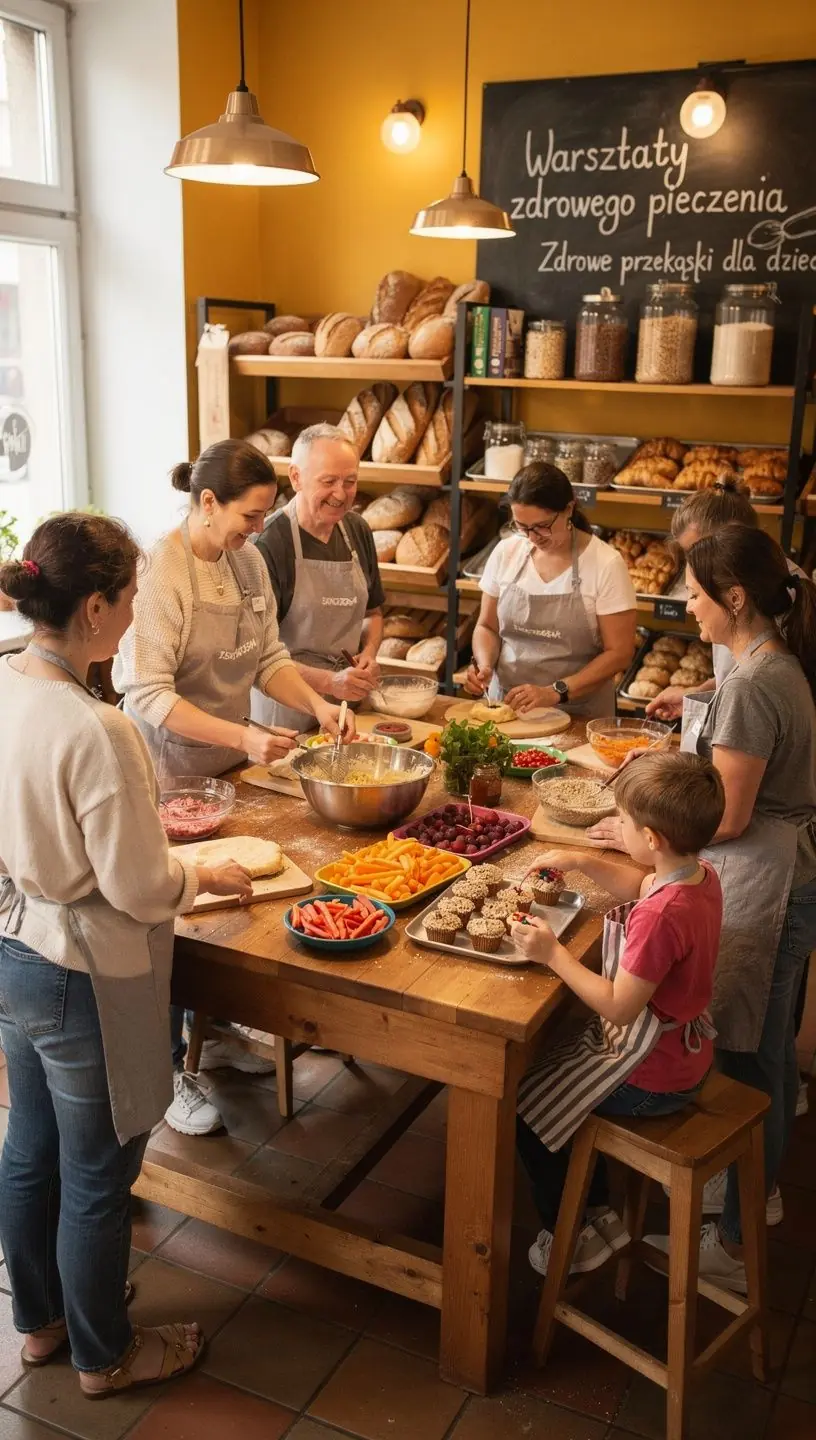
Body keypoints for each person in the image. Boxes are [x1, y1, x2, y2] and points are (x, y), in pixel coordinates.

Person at [0, 514, 254, 1397]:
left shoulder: (3, 685)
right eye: (133, 596)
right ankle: (105, 1355)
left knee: (29, 1151)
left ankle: (43, 1324)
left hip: (15, 948)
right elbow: (140, 887)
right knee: (100, 1172)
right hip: (85, 971)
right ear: (98, 606)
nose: (138, 609)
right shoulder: (97, 727)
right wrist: (203, 876)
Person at [114, 439, 350, 1137]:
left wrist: (318, 706)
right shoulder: (163, 573)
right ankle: (167, 1074)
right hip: (163, 770)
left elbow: (269, 658)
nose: (257, 528)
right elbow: (149, 694)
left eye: (264, 515)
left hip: (223, 769)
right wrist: (244, 737)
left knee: (219, 913)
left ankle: (208, 1037)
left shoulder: (247, 562)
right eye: (249, 515)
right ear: (207, 502)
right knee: (165, 922)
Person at [604, 526, 816, 1294]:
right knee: (762, 1046)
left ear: (735, 598)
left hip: (772, 878)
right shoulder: (764, 664)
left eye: (694, 593)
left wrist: (642, 831)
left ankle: (736, 1233)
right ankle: (746, 1193)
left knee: (757, 1056)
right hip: (784, 872)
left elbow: (725, 817)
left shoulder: (759, 683)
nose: (684, 605)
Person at [512, 751, 724, 1278]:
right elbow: (639, 885)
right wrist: (580, 861)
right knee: (554, 1081)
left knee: (529, 1108)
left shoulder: (660, 918)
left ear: (651, 838)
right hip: (685, 1053)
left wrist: (552, 954)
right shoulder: (698, 877)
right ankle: (599, 1210)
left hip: (651, 1073)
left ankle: (577, 1232)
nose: (619, 830)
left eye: (625, 823)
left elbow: (620, 1007)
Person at [466, 463, 636, 716]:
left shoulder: (605, 563)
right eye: (522, 527)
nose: (533, 537)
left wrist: (556, 691)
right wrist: (484, 664)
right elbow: (487, 627)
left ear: (569, 508)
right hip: (508, 708)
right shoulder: (507, 552)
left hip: (579, 712)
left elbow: (619, 653)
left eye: (542, 526)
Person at [252, 423, 385, 729]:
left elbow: (373, 614)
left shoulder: (357, 530)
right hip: (285, 714)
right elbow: (258, 655)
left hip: (347, 708)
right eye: (329, 481)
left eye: (350, 481)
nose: (341, 494)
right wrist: (329, 682)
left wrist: (368, 653)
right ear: (296, 477)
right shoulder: (269, 544)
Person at [644, 479, 806, 719]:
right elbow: (736, 672)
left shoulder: (781, 592)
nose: (694, 566)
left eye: (700, 551)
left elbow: (765, 688)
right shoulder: (726, 584)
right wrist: (699, 693)